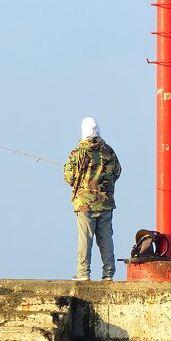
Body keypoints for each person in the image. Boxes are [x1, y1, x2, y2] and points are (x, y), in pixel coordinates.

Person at [63, 117, 122, 281]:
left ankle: (83, 273)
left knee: (85, 240)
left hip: (84, 204)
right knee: (106, 239)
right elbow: (117, 171)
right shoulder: (109, 151)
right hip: (105, 202)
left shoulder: (77, 153)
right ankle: (108, 273)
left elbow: (68, 176)